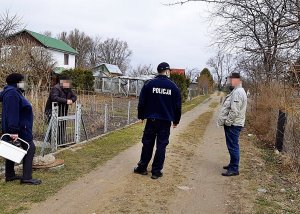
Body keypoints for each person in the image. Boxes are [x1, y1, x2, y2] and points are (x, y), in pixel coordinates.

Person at [134, 62, 182, 179]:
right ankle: (156, 171)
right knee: (161, 145)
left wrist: (141, 116)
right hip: (165, 121)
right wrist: (176, 121)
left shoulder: (149, 84)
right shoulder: (173, 87)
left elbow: (142, 102)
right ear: (167, 71)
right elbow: (177, 106)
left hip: (151, 119)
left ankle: (142, 167)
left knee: (147, 143)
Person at [0, 73, 42, 185]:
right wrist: (14, 131)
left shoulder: (11, 92)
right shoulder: (13, 94)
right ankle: (27, 178)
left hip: (17, 127)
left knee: (11, 148)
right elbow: (12, 113)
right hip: (19, 128)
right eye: (22, 81)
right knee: (30, 148)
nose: (24, 83)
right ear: (17, 83)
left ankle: (10, 175)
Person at [218, 72, 248, 176]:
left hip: (234, 124)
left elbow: (235, 111)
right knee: (231, 145)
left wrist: (228, 122)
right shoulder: (236, 90)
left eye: (230, 79)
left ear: (235, 79)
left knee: (233, 146)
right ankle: (232, 164)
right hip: (234, 123)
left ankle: (234, 168)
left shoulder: (238, 92)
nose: (229, 81)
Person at [45, 75, 77, 145]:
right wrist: (66, 101)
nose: (68, 84)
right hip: (52, 110)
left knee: (62, 125)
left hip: (63, 110)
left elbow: (74, 96)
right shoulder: (56, 88)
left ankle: (61, 141)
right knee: (53, 125)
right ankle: (51, 141)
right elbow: (54, 98)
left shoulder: (68, 89)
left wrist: (71, 100)